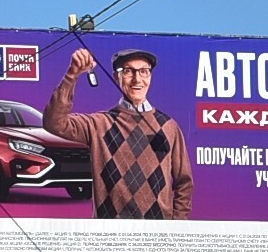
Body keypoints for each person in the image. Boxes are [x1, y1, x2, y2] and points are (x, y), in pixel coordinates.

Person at [43, 46, 194, 220]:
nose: (137, 79)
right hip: (111, 234)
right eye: (129, 71)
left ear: (150, 77)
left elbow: (184, 182)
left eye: (144, 71)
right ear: (117, 77)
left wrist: (176, 225)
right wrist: (72, 75)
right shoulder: (99, 124)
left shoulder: (169, 127)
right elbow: (53, 123)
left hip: (158, 234)